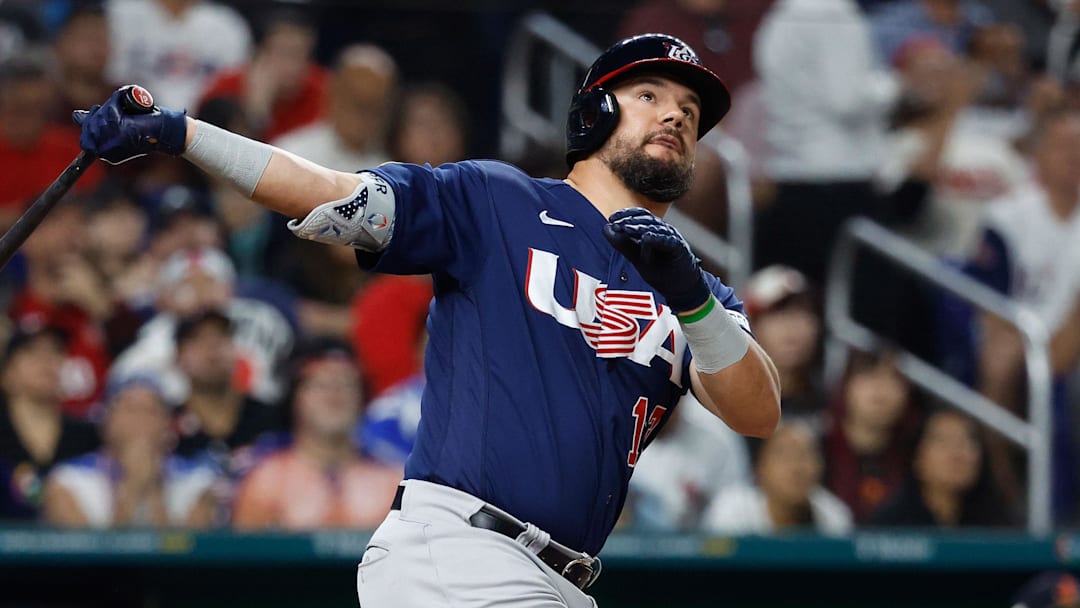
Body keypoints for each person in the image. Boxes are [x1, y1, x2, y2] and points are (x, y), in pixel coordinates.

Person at [73, 33, 781, 607]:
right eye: (650, 94)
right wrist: (183, 132)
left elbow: (758, 412)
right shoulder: (494, 201)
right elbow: (335, 195)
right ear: (592, 114)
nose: (676, 114)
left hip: (563, 580)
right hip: (462, 556)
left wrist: (690, 298)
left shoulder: (696, 291)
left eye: (691, 110)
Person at [232, 338, 401, 530]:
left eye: (347, 383)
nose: (335, 393)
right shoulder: (263, 480)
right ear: (295, 397)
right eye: (321, 384)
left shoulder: (393, 483)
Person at [42, 374, 217, 528]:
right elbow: (85, 562)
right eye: (130, 410)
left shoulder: (198, 480)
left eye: (151, 411)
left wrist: (153, 491)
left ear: (167, 425)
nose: (140, 420)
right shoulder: (68, 480)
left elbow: (188, 560)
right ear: (106, 421)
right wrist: (130, 492)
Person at [0, 324, 99, 520]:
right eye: (31, 352)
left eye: (56, 352)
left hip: (77, 545)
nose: (46, 360)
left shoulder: (87, 435)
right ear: (6, 374)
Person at [868, 407, 1018, 528]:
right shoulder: (889, 527)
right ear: (917, 458)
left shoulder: (1000, 526)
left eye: (968, 440)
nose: (957, 453)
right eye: (943, 441)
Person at [700, 418, 853, 536]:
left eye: (805, 455)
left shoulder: (834, 517)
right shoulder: (732, 511)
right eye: (784, 455)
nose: (796, 467)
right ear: (760, 467)